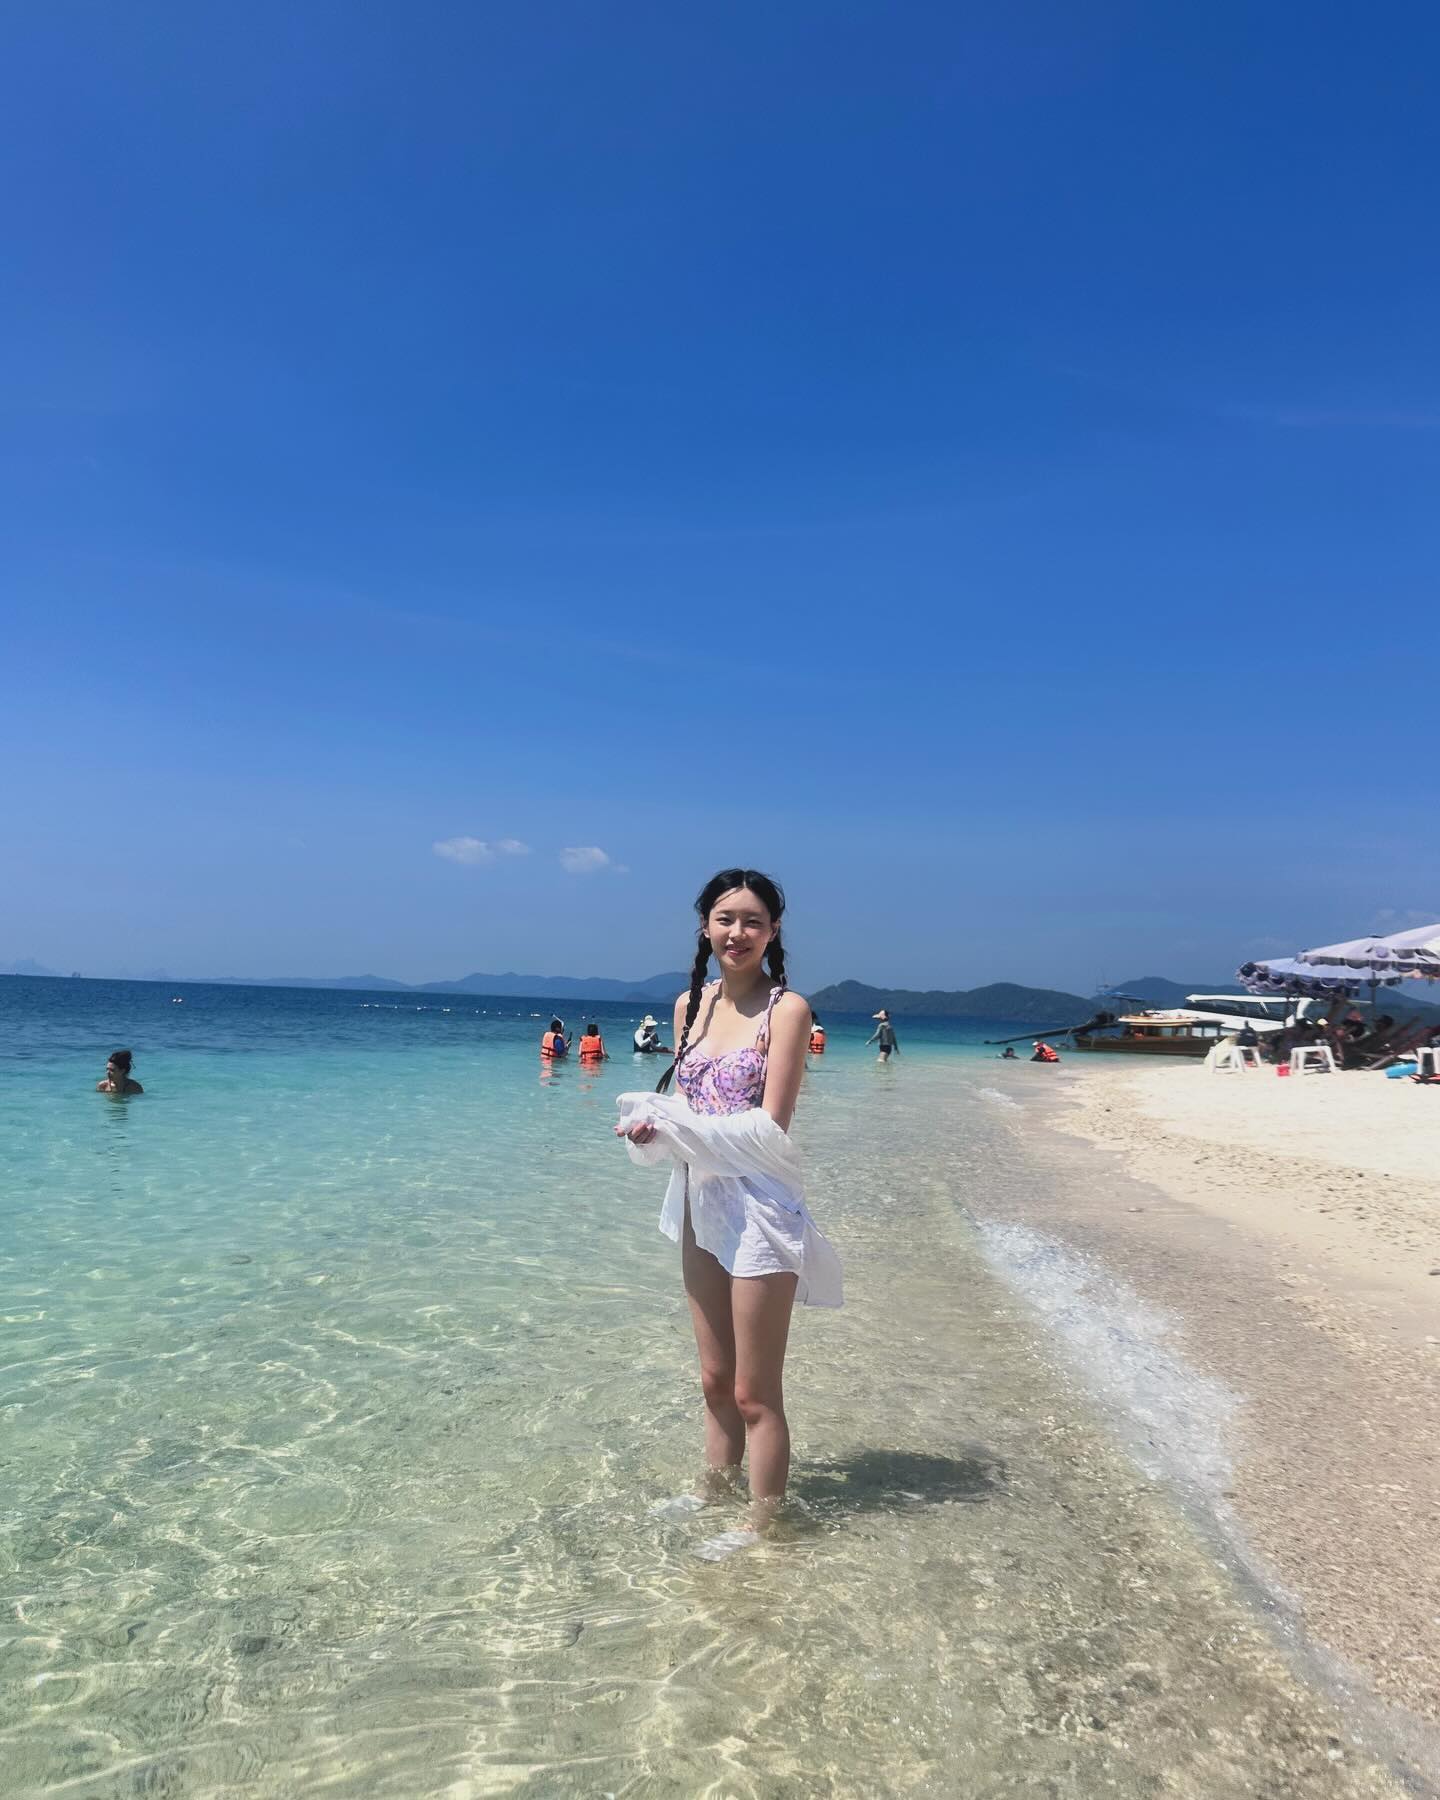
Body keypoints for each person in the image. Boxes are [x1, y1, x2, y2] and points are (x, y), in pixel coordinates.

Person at [617, 867, 841, 1542]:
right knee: (714, 1378)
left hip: (762, 1209)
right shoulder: (690, 1006)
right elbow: (689, 1111)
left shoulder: (787, 1010)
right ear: (705, 927)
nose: (737, 933)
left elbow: (771, 1128)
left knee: (754, 1392)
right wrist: (656, 1127)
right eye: (725, 919)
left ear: (773, 931)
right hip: (699, 1199)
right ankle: (712, 1492)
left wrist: (682, 1128)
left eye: (752, 921)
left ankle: (762, 1523)